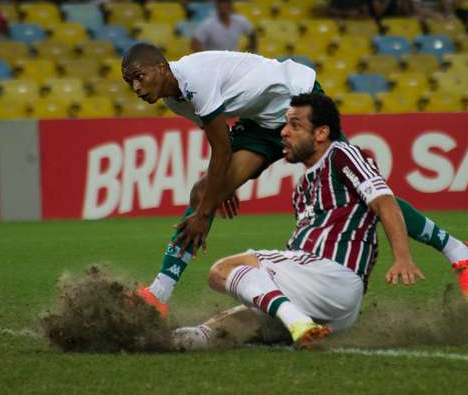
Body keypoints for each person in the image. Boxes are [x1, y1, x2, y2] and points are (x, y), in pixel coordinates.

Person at [119, 44, 468, 317]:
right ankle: (159, 295)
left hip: (299, 100)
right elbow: (224, 144)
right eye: (129, 82)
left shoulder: (193, 78)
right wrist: (218, 190)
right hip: (263, 121)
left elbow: (220, 150)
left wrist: (215, 195)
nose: (136, 88)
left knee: (358, 189)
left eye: (140, 76)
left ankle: (459, 251)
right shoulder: (173, 101)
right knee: (202, 196)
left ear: (161, 66)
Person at [174, 92, 424, 349]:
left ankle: (296, 322)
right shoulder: (305, 186)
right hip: (328, 298)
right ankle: (203, 335)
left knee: (222, 271)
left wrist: (402, 256)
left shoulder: (342, 154)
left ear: (321, 133)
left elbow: (385, 201)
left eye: (295, 125)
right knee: (246, 316)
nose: (284, 132)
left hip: (330, 275)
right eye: (285, 124)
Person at [191, 0, 256, 52]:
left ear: (230, 8)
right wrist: (205, 58)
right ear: (217, 8)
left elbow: (252, 33)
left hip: (234, 58)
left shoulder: (240, 20)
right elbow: (195, 43)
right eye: (221, 8)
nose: (224, 11)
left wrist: (252, 47)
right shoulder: (208, 24)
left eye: (226, 8)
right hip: (215, 60)